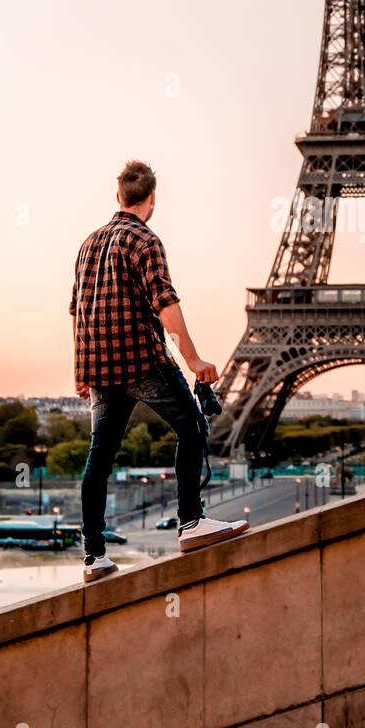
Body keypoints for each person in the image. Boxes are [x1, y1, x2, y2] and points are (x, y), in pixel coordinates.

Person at [70, 160, 247, 582]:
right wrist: (194, 360)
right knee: (192, 429)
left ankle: (94, 555)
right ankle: (191, 522)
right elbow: (165, 304)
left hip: (98, 365)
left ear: (118, 197)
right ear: (152, 198)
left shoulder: (89, 243)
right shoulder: (145, 241)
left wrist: (80, 369)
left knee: (99, 457)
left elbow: (77, 310)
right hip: (140, 360)